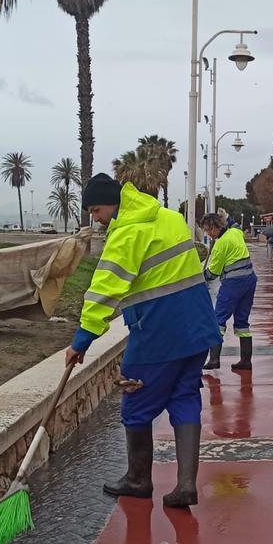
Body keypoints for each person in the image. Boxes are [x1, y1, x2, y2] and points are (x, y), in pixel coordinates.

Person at [67, 174, 220, 508]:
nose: (95, 217)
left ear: (113, 202)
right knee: (184, 397)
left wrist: (81, 341)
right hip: (197, 329)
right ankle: (185, 486)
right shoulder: (169, 217)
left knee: (135, 400)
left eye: (96, 209)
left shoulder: (126, 234)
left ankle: (138, 479)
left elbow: (104, 292)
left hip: (158, 335)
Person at [198, 213, 257, 371]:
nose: (207, 234)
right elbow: (235, 224)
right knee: (242, 322)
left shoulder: (220, 244)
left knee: (218, 320)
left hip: (233, 284)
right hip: (250, 280)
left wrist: (198, 278)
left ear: (216, 227)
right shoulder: (235, 232)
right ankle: (246, 361)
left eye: (209, 230)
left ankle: (214, 359)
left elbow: (213, 273)